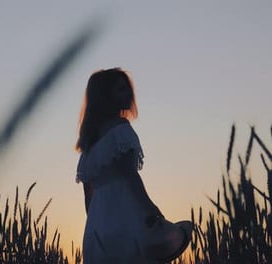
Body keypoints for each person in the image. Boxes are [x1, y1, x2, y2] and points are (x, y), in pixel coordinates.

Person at [75, 68, 191, 263]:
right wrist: (151, 210)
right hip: (125, 213)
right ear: (107, 96)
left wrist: (97, 225)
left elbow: (88, 194)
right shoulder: (121, 130)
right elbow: (129, 176)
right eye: (121, 89)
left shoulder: (90, 144)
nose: (129, 93)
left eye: (127, 88)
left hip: (97, 224)